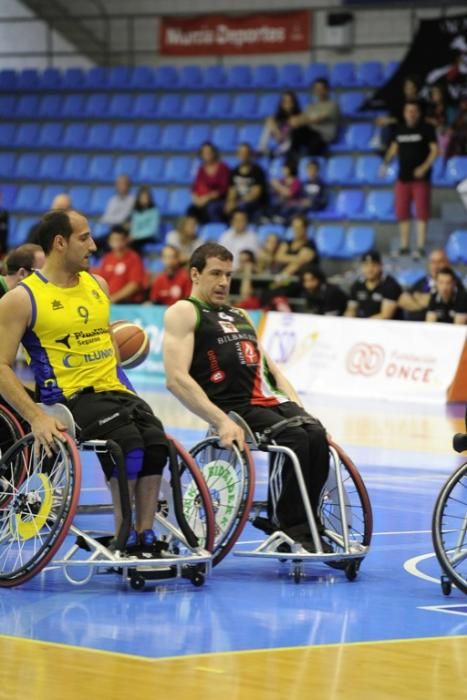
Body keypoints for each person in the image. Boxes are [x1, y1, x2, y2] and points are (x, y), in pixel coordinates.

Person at [0, 209, 169, 547]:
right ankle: (123, 535)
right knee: (128, 445)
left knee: (156, 442)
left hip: (114, 391)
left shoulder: (98, 285)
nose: (93, 245)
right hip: (69, 398)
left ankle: (144, 534)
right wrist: (36, 417)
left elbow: (110, 350)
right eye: (84, 238)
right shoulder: (21, 298)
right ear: (59, 243)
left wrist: (134, 396)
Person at [163, 242, 330, 548]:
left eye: (228, 274)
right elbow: (176, 379)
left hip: (268, 399)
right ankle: (287, 526)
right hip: (234, 405)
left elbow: (272, 370)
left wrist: (301, 411)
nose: (224, 282)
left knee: (315, 433)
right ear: (195, 274)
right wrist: (219, 420)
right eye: (216, 274)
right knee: (294, 438)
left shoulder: (240, 314)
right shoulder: (185, 312)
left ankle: (309, 521)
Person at [380, 101, 438, 258]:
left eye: (414, 111)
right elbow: (394, 147)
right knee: (402, 212)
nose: (411, 114)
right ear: (404, 113)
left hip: (421, 179)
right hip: (402, 178)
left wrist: (424, 167)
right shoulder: (399, 128)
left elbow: (434, 150)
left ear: (418, 113)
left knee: (421, 212)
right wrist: (385, 164)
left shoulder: (426, 129)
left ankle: (420, 246)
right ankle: (404, 246)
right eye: (408, 111)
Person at [398, 248, 464, 321]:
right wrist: (423, 304)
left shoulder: (454, 282)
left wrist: (422, 299)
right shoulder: (425, 281)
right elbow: (402, 299)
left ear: (447, 263)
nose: (436, 266)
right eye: (433, 262)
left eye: (440, 262)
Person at [287, 78, 340, 158]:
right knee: (295, 131)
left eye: (321, 89)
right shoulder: (311, 106)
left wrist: (302, 121)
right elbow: (298, 119)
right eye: (316, 89)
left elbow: (318, 119)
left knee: (313, 141)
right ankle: (291, 158)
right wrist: (297, 120)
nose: (318, 91)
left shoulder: (332, 105)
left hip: (323, 136)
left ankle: (312, 161)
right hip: (311, 133)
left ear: (327, 90)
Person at [95, 225, 146, 304]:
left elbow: (135, 284)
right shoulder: (107, 258)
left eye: (119, 240)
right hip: (109, 301)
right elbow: (101, 281)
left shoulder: (134, 258)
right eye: (113, 240)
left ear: (126, 240)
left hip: (127, 303)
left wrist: (114, 298)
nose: (116, 243)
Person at [345, 250, 402, 319]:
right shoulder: (357, 285)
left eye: (374, 265)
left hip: (386, 327)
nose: (370, 269)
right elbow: (351, 309)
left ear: (381, 266)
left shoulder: (390, 285)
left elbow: (385, 315)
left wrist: (362, 325)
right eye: (366, 265)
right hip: (363, 325)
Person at [187, 142, 230, 224]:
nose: (207, 154)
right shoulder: (201, 169)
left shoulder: (223, 167)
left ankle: (215, 230)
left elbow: (223, 189)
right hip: (203, 200)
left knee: (211, 208)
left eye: (209, 152)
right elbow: (195, 186)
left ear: (214, 152)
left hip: (218, 200)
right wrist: (196, 199)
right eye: (204, 152)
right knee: (191, 209)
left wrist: (207, 198)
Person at [224, 143, 268, 221]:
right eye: (241, 153)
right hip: (239, 202)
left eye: (245, 153)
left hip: (254, 204)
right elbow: (232, 191)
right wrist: (230, 202)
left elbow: (255, 194)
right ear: (237, 155)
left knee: (242, 207)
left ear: (250, 154)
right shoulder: (234, 172)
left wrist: (237, 203)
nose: (243, 155)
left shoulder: (257, 171)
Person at [257, 90, 302, 158]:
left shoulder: (298, 115)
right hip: (279, 137)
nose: (287, 104)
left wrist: (282, 134)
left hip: (292, 143)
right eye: (284, 102)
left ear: (294, 103)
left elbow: (292, 129)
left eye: (289, 102)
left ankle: (276, 153)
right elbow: (269, 120)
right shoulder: (278, 115)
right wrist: (278, 133)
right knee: (268, 125)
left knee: (290, 135)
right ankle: (262, 148)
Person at [129, 185, 160, 250]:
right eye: (142, 197)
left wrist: (136, 236)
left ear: (150, 198)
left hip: (150, 237)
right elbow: (134, 227)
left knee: (134, 244)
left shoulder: (154, 211)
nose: (145, 199)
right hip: (136, 237)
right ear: (139, 198)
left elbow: (152, 230)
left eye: (146, 197)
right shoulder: (135, 212)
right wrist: (133, 235)